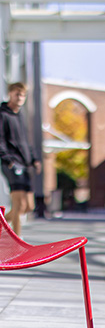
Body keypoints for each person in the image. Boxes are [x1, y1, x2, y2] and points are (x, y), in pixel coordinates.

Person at [0, 83, 41, 236]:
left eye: (23, 95)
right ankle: (18, 240)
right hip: (11, 164)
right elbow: (0, 139)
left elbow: (25, 142)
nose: (20, 98)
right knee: (18, 205)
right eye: (17, 94)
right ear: (10, 94)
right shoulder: (3, 114)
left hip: (25, 164)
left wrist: (34, 159)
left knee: (29, 206)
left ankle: (1, 223)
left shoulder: (19, 115)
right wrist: (8, 159)